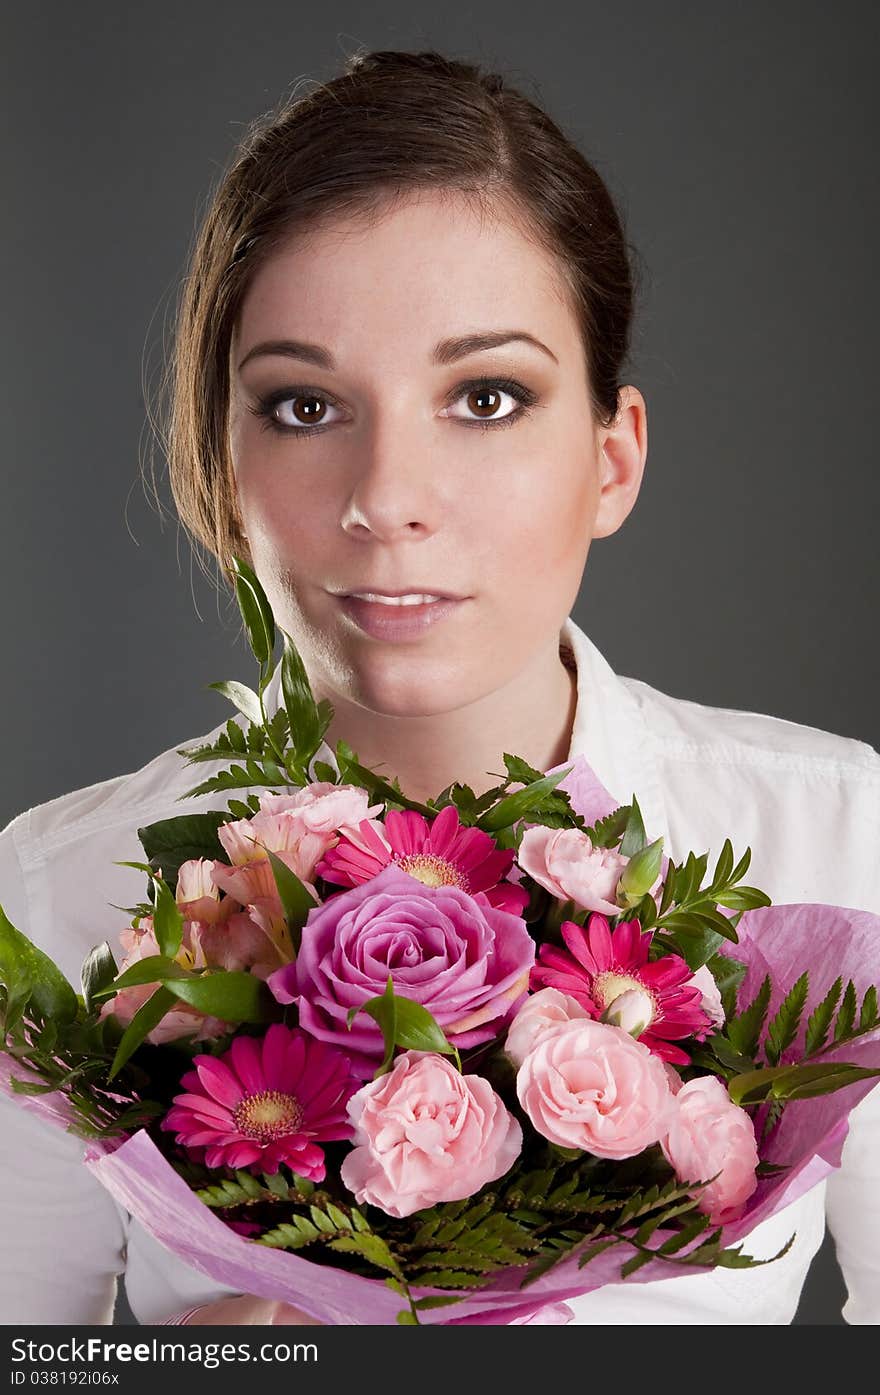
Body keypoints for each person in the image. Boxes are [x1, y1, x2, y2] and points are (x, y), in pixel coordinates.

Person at [0, 47, 878, 1327]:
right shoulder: (57, 893)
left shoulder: (846, 840)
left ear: (611, 459)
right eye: (303, 407)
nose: (385, 501)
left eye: (485, 395)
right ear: (216, 462)